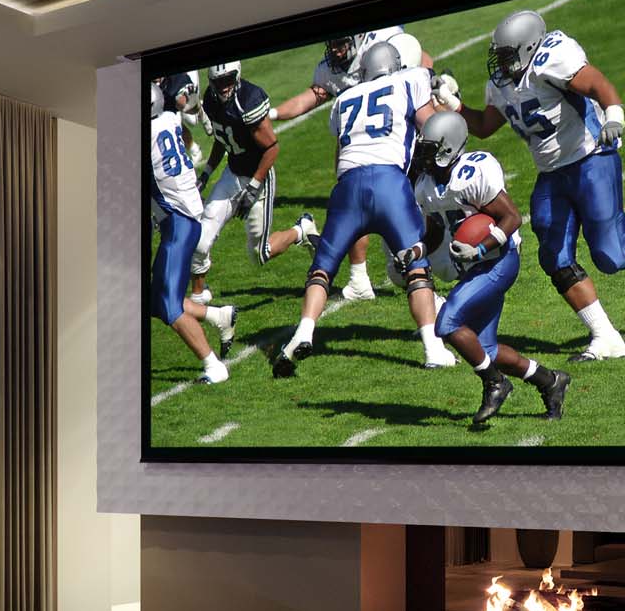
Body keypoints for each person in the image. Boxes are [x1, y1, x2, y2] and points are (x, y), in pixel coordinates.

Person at [435, 9, 625, 362]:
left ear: (527, 48)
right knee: (555, 256)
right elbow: (485, 126)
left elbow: (598, 84)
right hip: (552, 173)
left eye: (507, 55)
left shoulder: (550, 61)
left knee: (611, 255)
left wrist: (614, 113)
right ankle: (606, 336)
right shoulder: (501, 85)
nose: (502, 63)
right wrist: (455, 105)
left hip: (590, 160)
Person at [273, 40, 447, 377]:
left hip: (347, 186)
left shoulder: (344, 99)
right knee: (416, 269)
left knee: (322, 268)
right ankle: (432, 348)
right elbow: (434, 128)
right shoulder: (409, 80)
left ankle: (304, 332)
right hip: (389, 183)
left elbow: (340, 160)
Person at [409, 112, 571, 426]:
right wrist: (415, 250)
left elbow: (511, 217)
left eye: (430, 150)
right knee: (485, 349)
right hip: (474, 265)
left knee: (447, 323)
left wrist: (480, 247)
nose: (424, 157)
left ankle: (495, 384)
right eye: (423, 149)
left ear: (450, 148)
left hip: (500, 258)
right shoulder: (426, 185)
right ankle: (550, 381)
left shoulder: (474, 171)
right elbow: (434, 232)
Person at [270, 28, 434, 302]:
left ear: (358, 40)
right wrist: (271, 113)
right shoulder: (330, 69)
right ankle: (361, 278)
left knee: (423, 207)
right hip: (371, 147)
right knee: (357, 199)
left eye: (340, 44)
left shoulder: (384, 39)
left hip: (402, 135)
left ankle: (435, 271)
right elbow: (309, 97)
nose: (335, 51)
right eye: (331, 44)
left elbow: (421, 59)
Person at [189, 62, 317, 301]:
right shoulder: (211, 99)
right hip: (232, 173)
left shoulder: (248, 100)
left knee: (260, 254)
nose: (224, 86)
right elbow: (221, 137)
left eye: (229, 80)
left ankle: (302, 230)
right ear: (211, 82)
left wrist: (254, 187)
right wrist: (206, 173)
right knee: (200, 240)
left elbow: (271, 148)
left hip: (258, 176)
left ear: (237, 77)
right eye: (219, 81)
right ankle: (198, 297)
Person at [149, 83, 237, 384]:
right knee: (151, 299)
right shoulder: (170, 120)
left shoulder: (142, 138)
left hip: (178, 224)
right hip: (185, 216)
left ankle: (214, 366)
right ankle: (217, 316)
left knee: (169, 306)